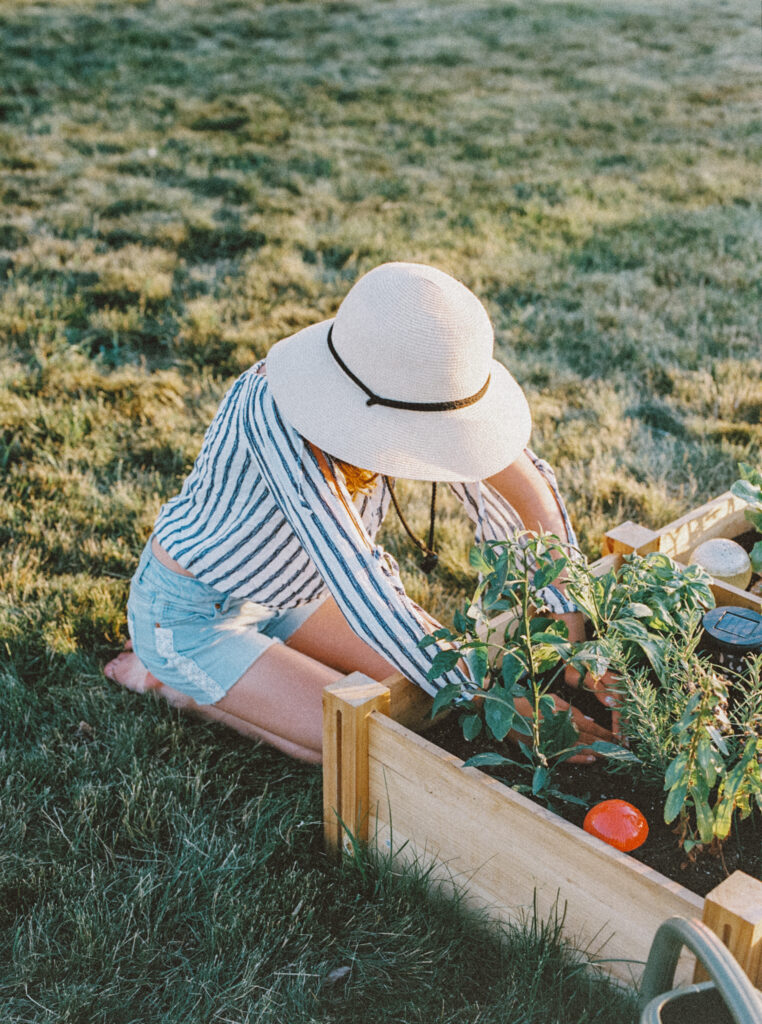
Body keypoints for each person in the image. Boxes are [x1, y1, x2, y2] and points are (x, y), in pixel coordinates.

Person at [105, 262, 616, 764]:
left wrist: (567, 621)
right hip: (197, 613)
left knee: (420, 701)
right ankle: (176, 682)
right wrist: (503, 704)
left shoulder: (401, 375)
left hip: (295, 596)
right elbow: (362, 585)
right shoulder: (280, 419)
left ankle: (214, 675)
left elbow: (524, 493)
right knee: (354, 740)